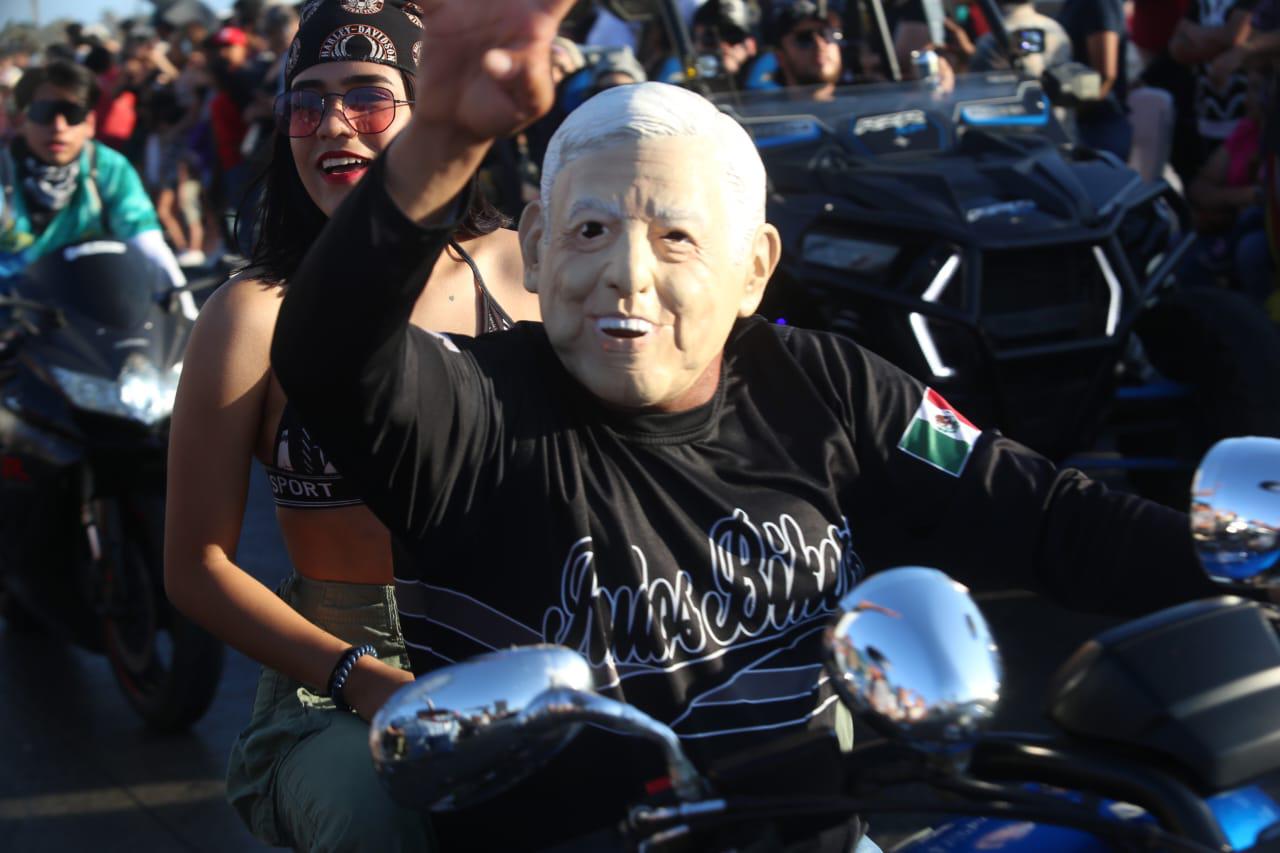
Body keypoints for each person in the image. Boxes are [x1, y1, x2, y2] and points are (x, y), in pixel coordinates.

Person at [270, 1, 1225, 848]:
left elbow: (1048, 515)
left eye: (676, 236)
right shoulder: (467, 413)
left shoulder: (831, 386)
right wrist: (437, 133)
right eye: (590, 230)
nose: (628, 275)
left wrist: (1236, 561)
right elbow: (326, 351)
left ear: (755, 268)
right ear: (535, 246)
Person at [160, 0, 539, 850]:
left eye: (368, 95)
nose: (332, 122)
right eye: (308, 99)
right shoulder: (250, 315)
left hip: (537, 644)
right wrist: (362, 679)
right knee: (382, 815)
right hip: (339, 680)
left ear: (429, 107)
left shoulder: (528, 265)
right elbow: (195, 566)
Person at [0, 60, 184, 287]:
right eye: (43, 113)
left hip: (93, 306)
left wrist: (187, 310)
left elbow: (145, 238)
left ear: (90, 123)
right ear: (21, 120)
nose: (59, 126)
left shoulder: (109, 167)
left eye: (72, 113)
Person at [1056, 0, 1133, 159]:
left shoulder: (1100, 3)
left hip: (1097, 130)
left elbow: (1105, 75)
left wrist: (1070, 115)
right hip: (1084, 125)